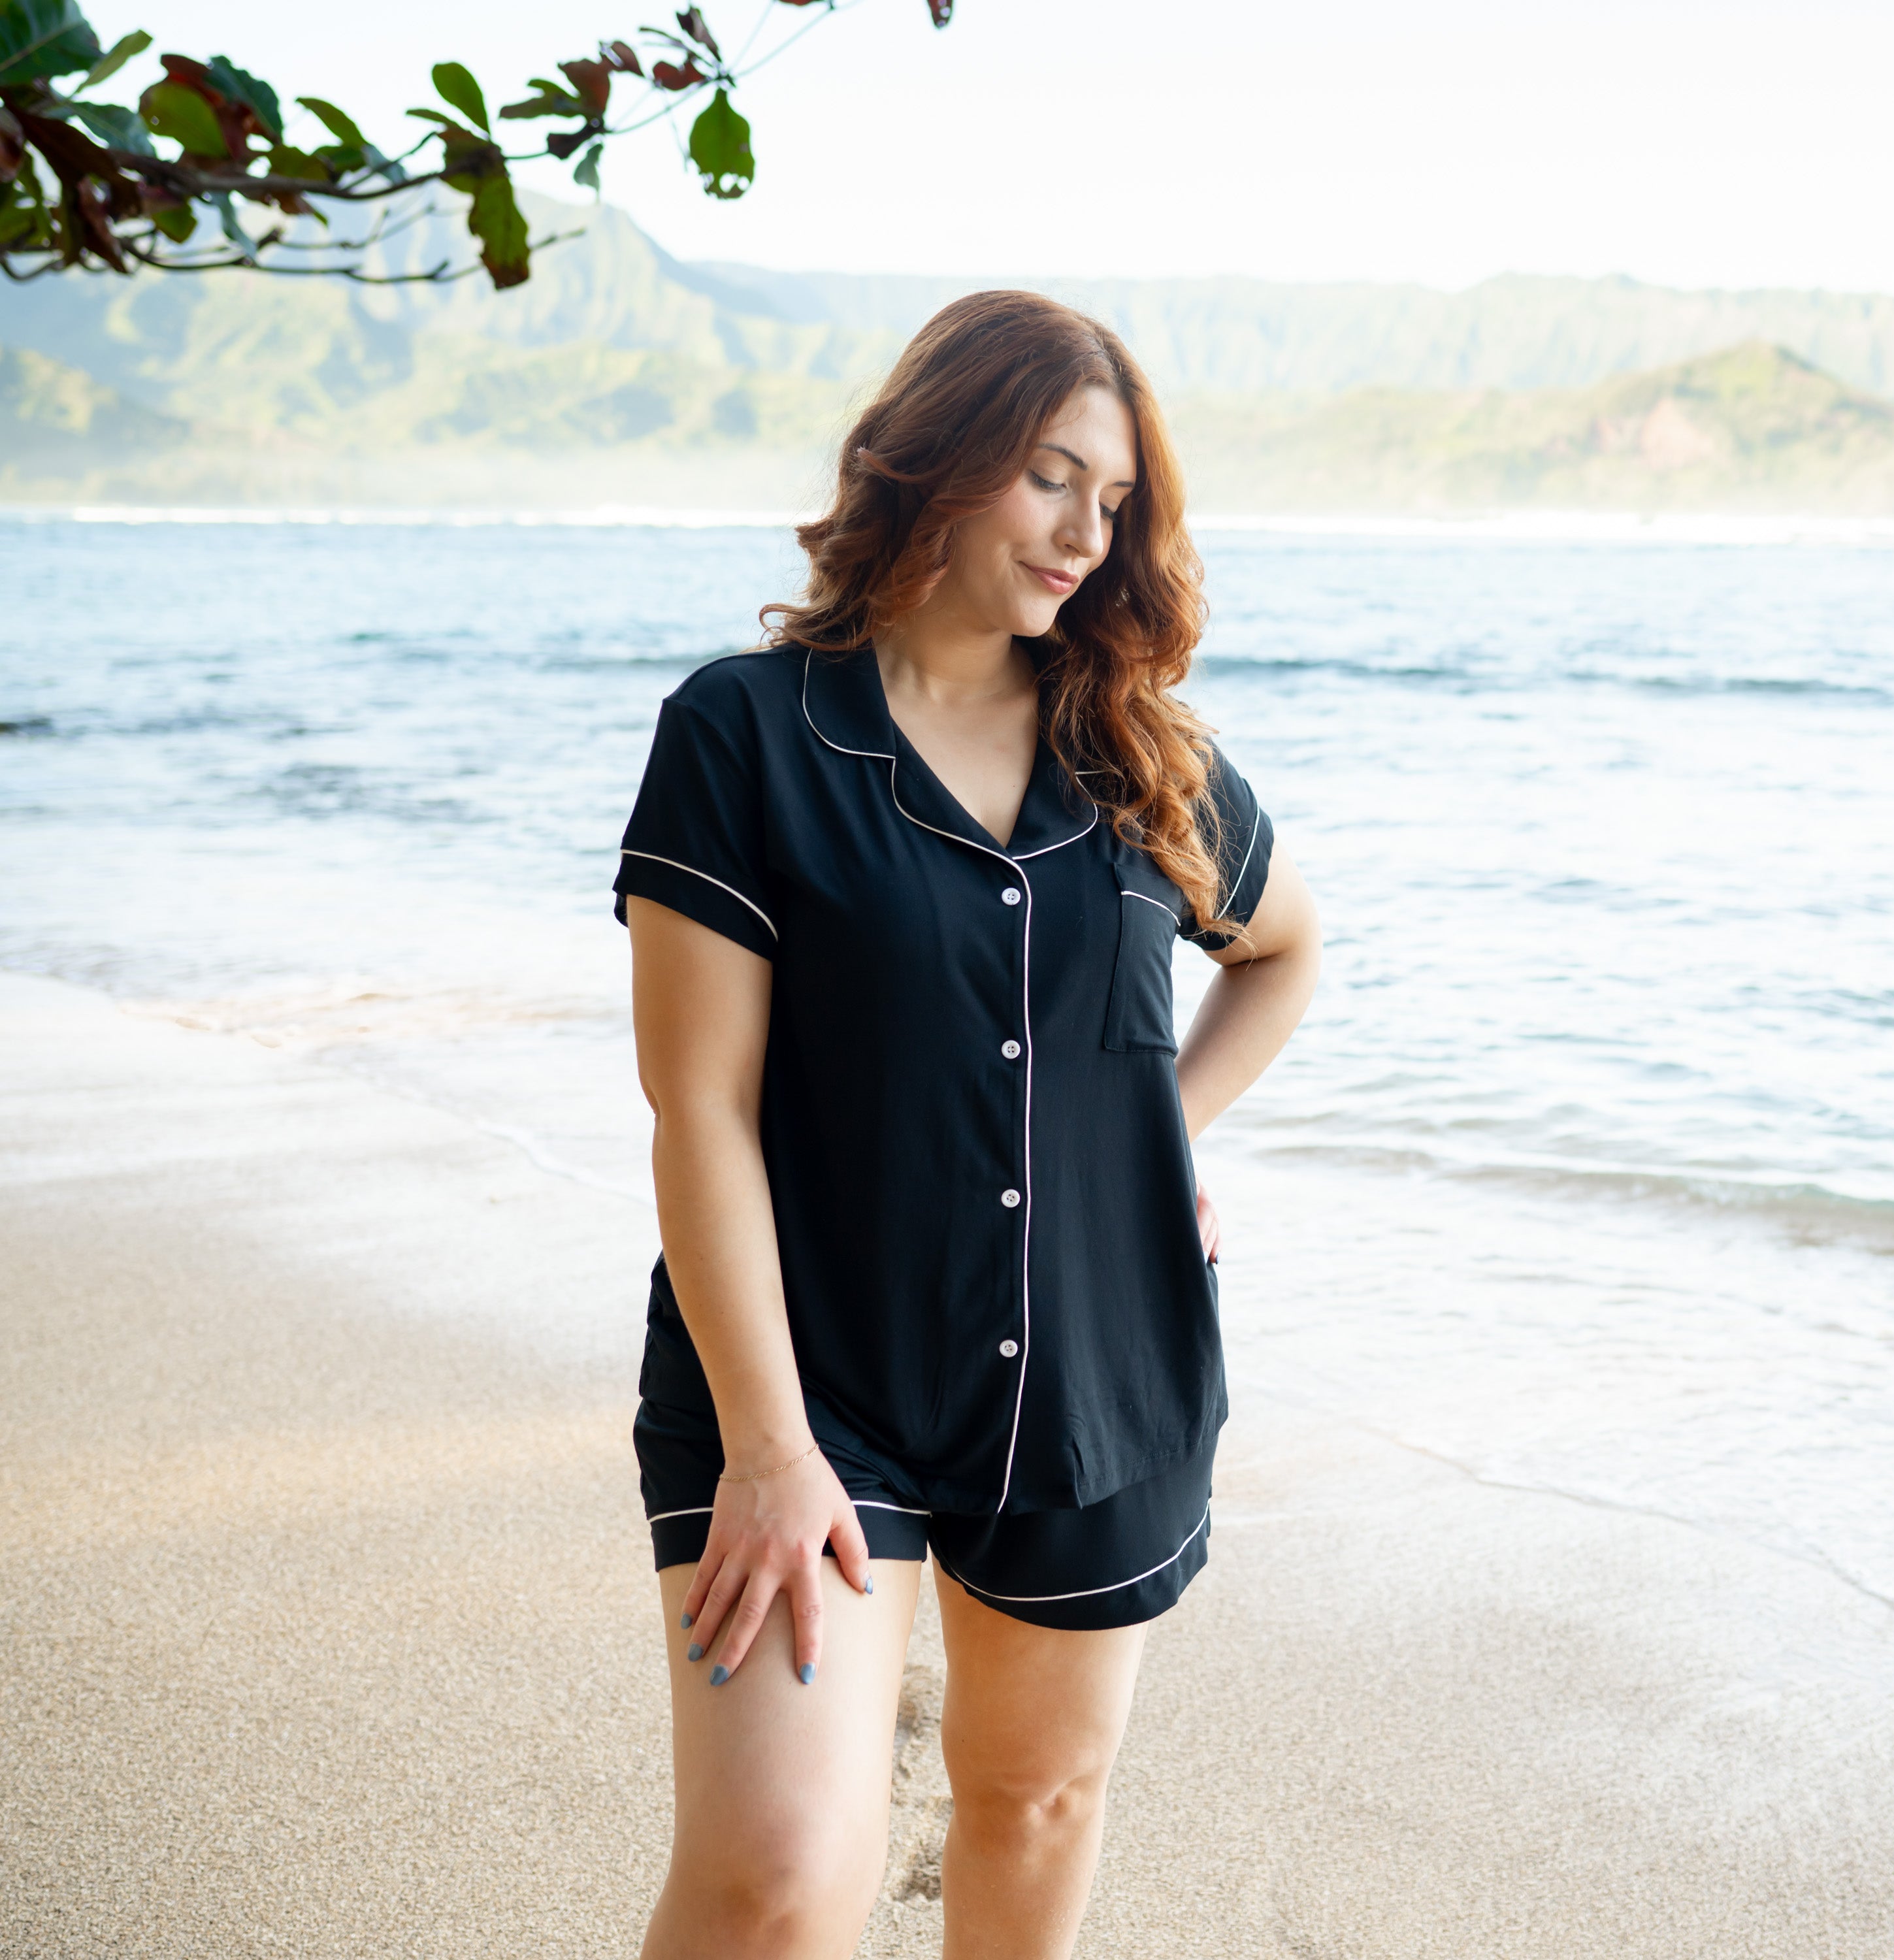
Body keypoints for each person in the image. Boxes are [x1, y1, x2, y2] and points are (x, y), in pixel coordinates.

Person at [613, 289, 1320, 1960]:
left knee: (1033, 1803)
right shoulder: (747, 735)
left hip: (1101, 1377)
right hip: (810, 1378)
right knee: (778, 1873)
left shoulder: (1139, 755)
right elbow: (696, 1110)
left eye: (1119, 501)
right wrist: (772, 1451)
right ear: (935, 462)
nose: (1087, 534)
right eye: (1051, 479)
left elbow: (1283, 952)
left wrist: (1163, 1136)